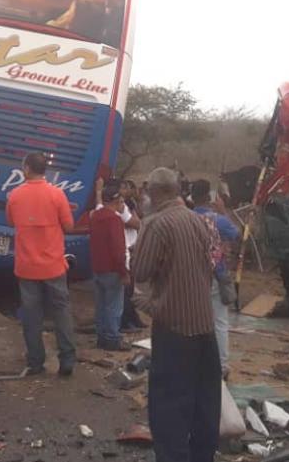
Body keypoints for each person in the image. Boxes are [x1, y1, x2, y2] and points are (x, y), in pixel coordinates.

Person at [131, 167, 220, 462]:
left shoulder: (156, 224)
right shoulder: (198, 220)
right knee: (204, 401)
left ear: (155, 192)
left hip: (174, 327)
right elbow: (210, 266)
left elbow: (141, 271)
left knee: (169, 404)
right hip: (204, 325)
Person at [6, 151, 76, 376]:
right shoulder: (57, 195)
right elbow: (69, 226)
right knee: (61, 312)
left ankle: (35, 362)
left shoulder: (15, 196)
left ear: (26, 169)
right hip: (54, 266)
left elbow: (11, 221)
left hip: (27, 267)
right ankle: (67, 361)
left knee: (31, 316)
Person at [191, 179, 241, 376]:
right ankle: (220, 367)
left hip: (190, 277)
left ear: (191, 197)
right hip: (214, 275)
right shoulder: (217, 220)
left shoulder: (186, 218)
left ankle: (195, 364)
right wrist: (223, 211)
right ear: (209, 197)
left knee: (192, 321)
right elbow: (236, 234)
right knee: (219, 322)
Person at [87, 180, 129, 351]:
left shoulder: (95, 217)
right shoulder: (114, 220)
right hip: (112, 269)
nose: (122, 205)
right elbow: (118, 250)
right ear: (115, 201)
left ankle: (102, 337)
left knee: (101, 305)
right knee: (114, 306)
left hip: (97, 268)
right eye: (121, 202)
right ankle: (112, 338)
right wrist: (124, 271)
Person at [119, 179, 146, 332]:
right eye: (123, 187)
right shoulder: (120, 207)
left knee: (131, 287)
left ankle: (133, 317)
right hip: (127, 247)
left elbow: (140, 219)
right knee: (126, 288)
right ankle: (126, 320)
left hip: (133, 246)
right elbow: (136, 223)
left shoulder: (130, 203)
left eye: (128, 187)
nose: (126, 190)